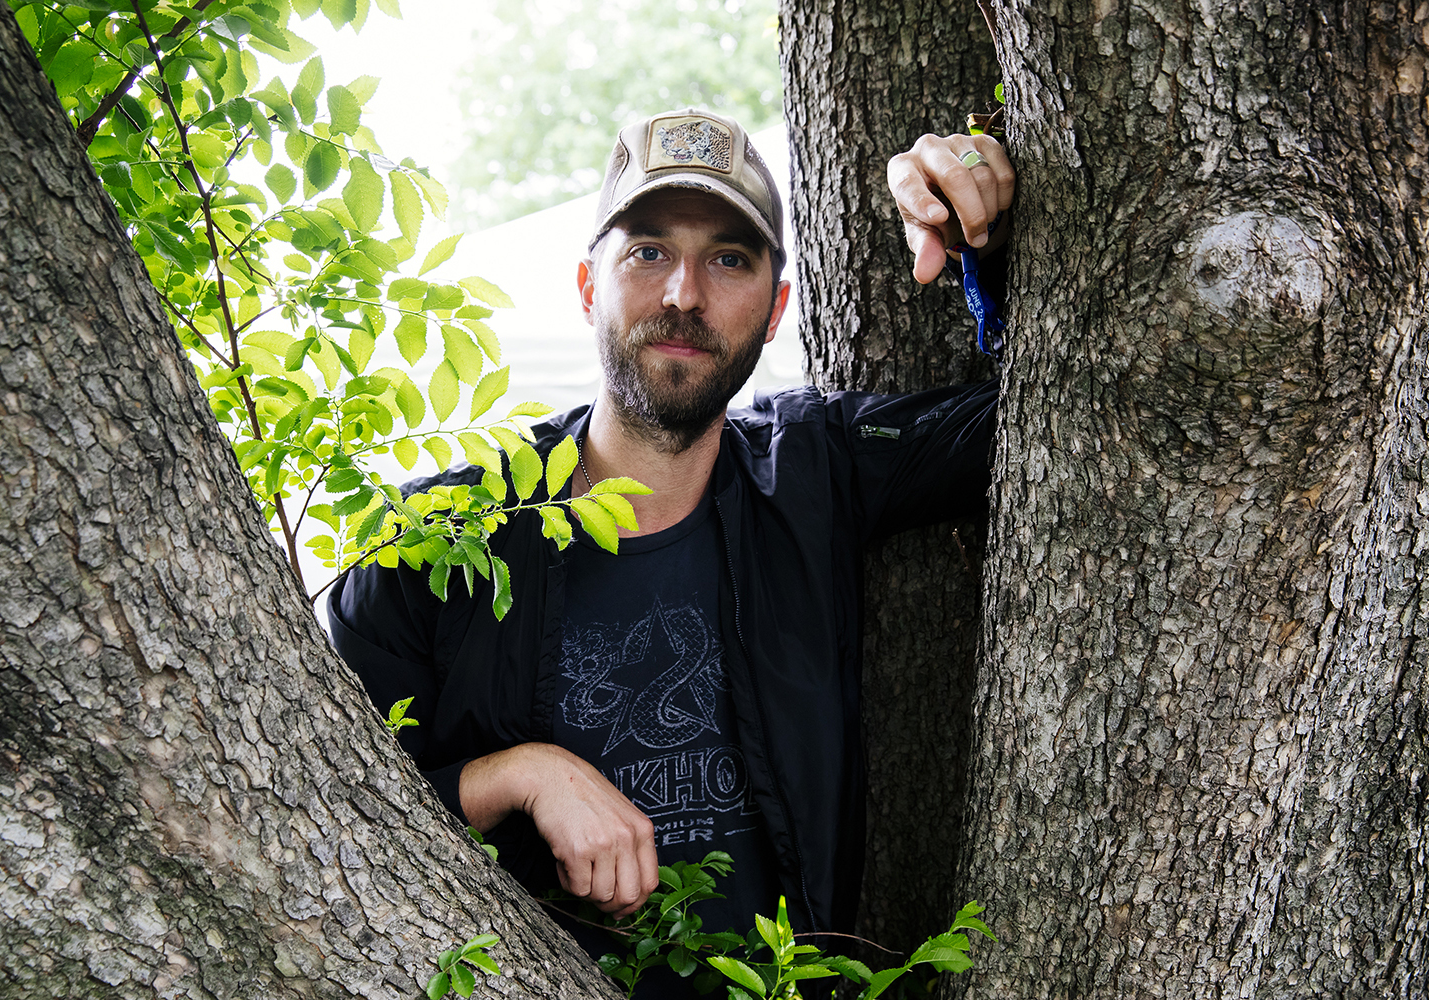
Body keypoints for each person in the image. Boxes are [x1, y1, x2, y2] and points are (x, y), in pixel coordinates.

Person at [328, 108, 1014, 992]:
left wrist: (985, 244)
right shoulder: (437, 543)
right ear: (588, 288)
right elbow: (330, 809)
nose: (684, 294)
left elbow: (1042, 426)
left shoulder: (814, 471)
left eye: (728, 260)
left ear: (776, 310)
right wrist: (519, 774)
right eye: (649, 252)